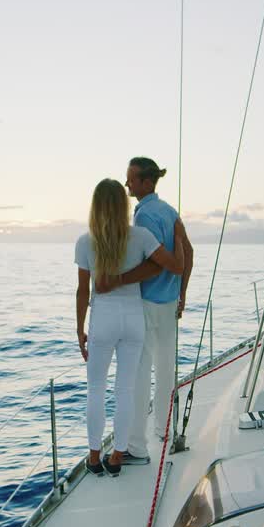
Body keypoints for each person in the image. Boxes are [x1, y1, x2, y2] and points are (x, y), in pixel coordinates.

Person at [75, 178, 185, 476]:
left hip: (103, 318)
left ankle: (95, 457)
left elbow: (83, 291)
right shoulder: (141, 236)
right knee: (125, 389)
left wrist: (79, 330)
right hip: (134, 316)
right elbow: (174, 265)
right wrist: (177, 231)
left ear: (96, 207)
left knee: (96, 389)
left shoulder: (86, 241)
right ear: (124, 205)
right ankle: (118, 457)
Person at [96, 157, 193, 461]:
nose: (127, 185)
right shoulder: (169, 211)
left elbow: (152, 263)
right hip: (169, 303)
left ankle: (135, 446)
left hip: (146, 302)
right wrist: (183, 292)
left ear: (146, 183)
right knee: (166, 368)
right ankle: (164, 430)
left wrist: (119, 280)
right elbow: (188, 252)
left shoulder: (144, 217)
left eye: (132, 180)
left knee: (138, 376)